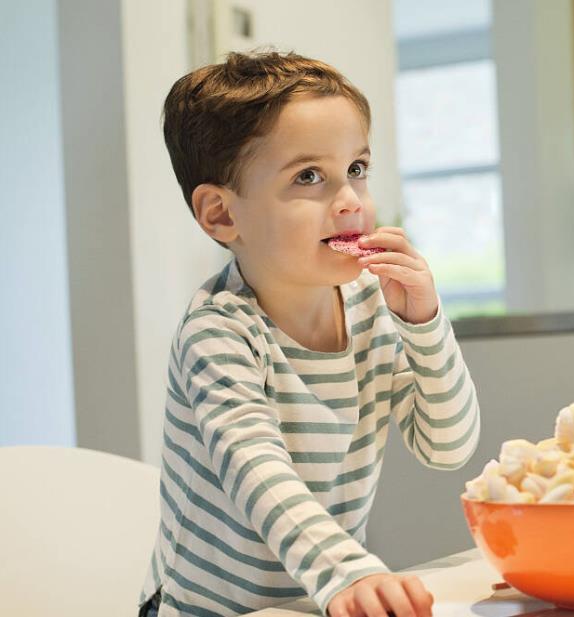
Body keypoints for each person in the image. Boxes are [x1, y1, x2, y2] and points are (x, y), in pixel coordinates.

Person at [138, 50, 480, 617]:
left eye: (357, 170)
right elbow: (259, 474)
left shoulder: (369, 304)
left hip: (314, 602)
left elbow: (447, 447)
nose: (350, 200)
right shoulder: (218, 332)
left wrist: (425, 323)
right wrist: (352, 573)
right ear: (222, 215)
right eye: (309, 177)